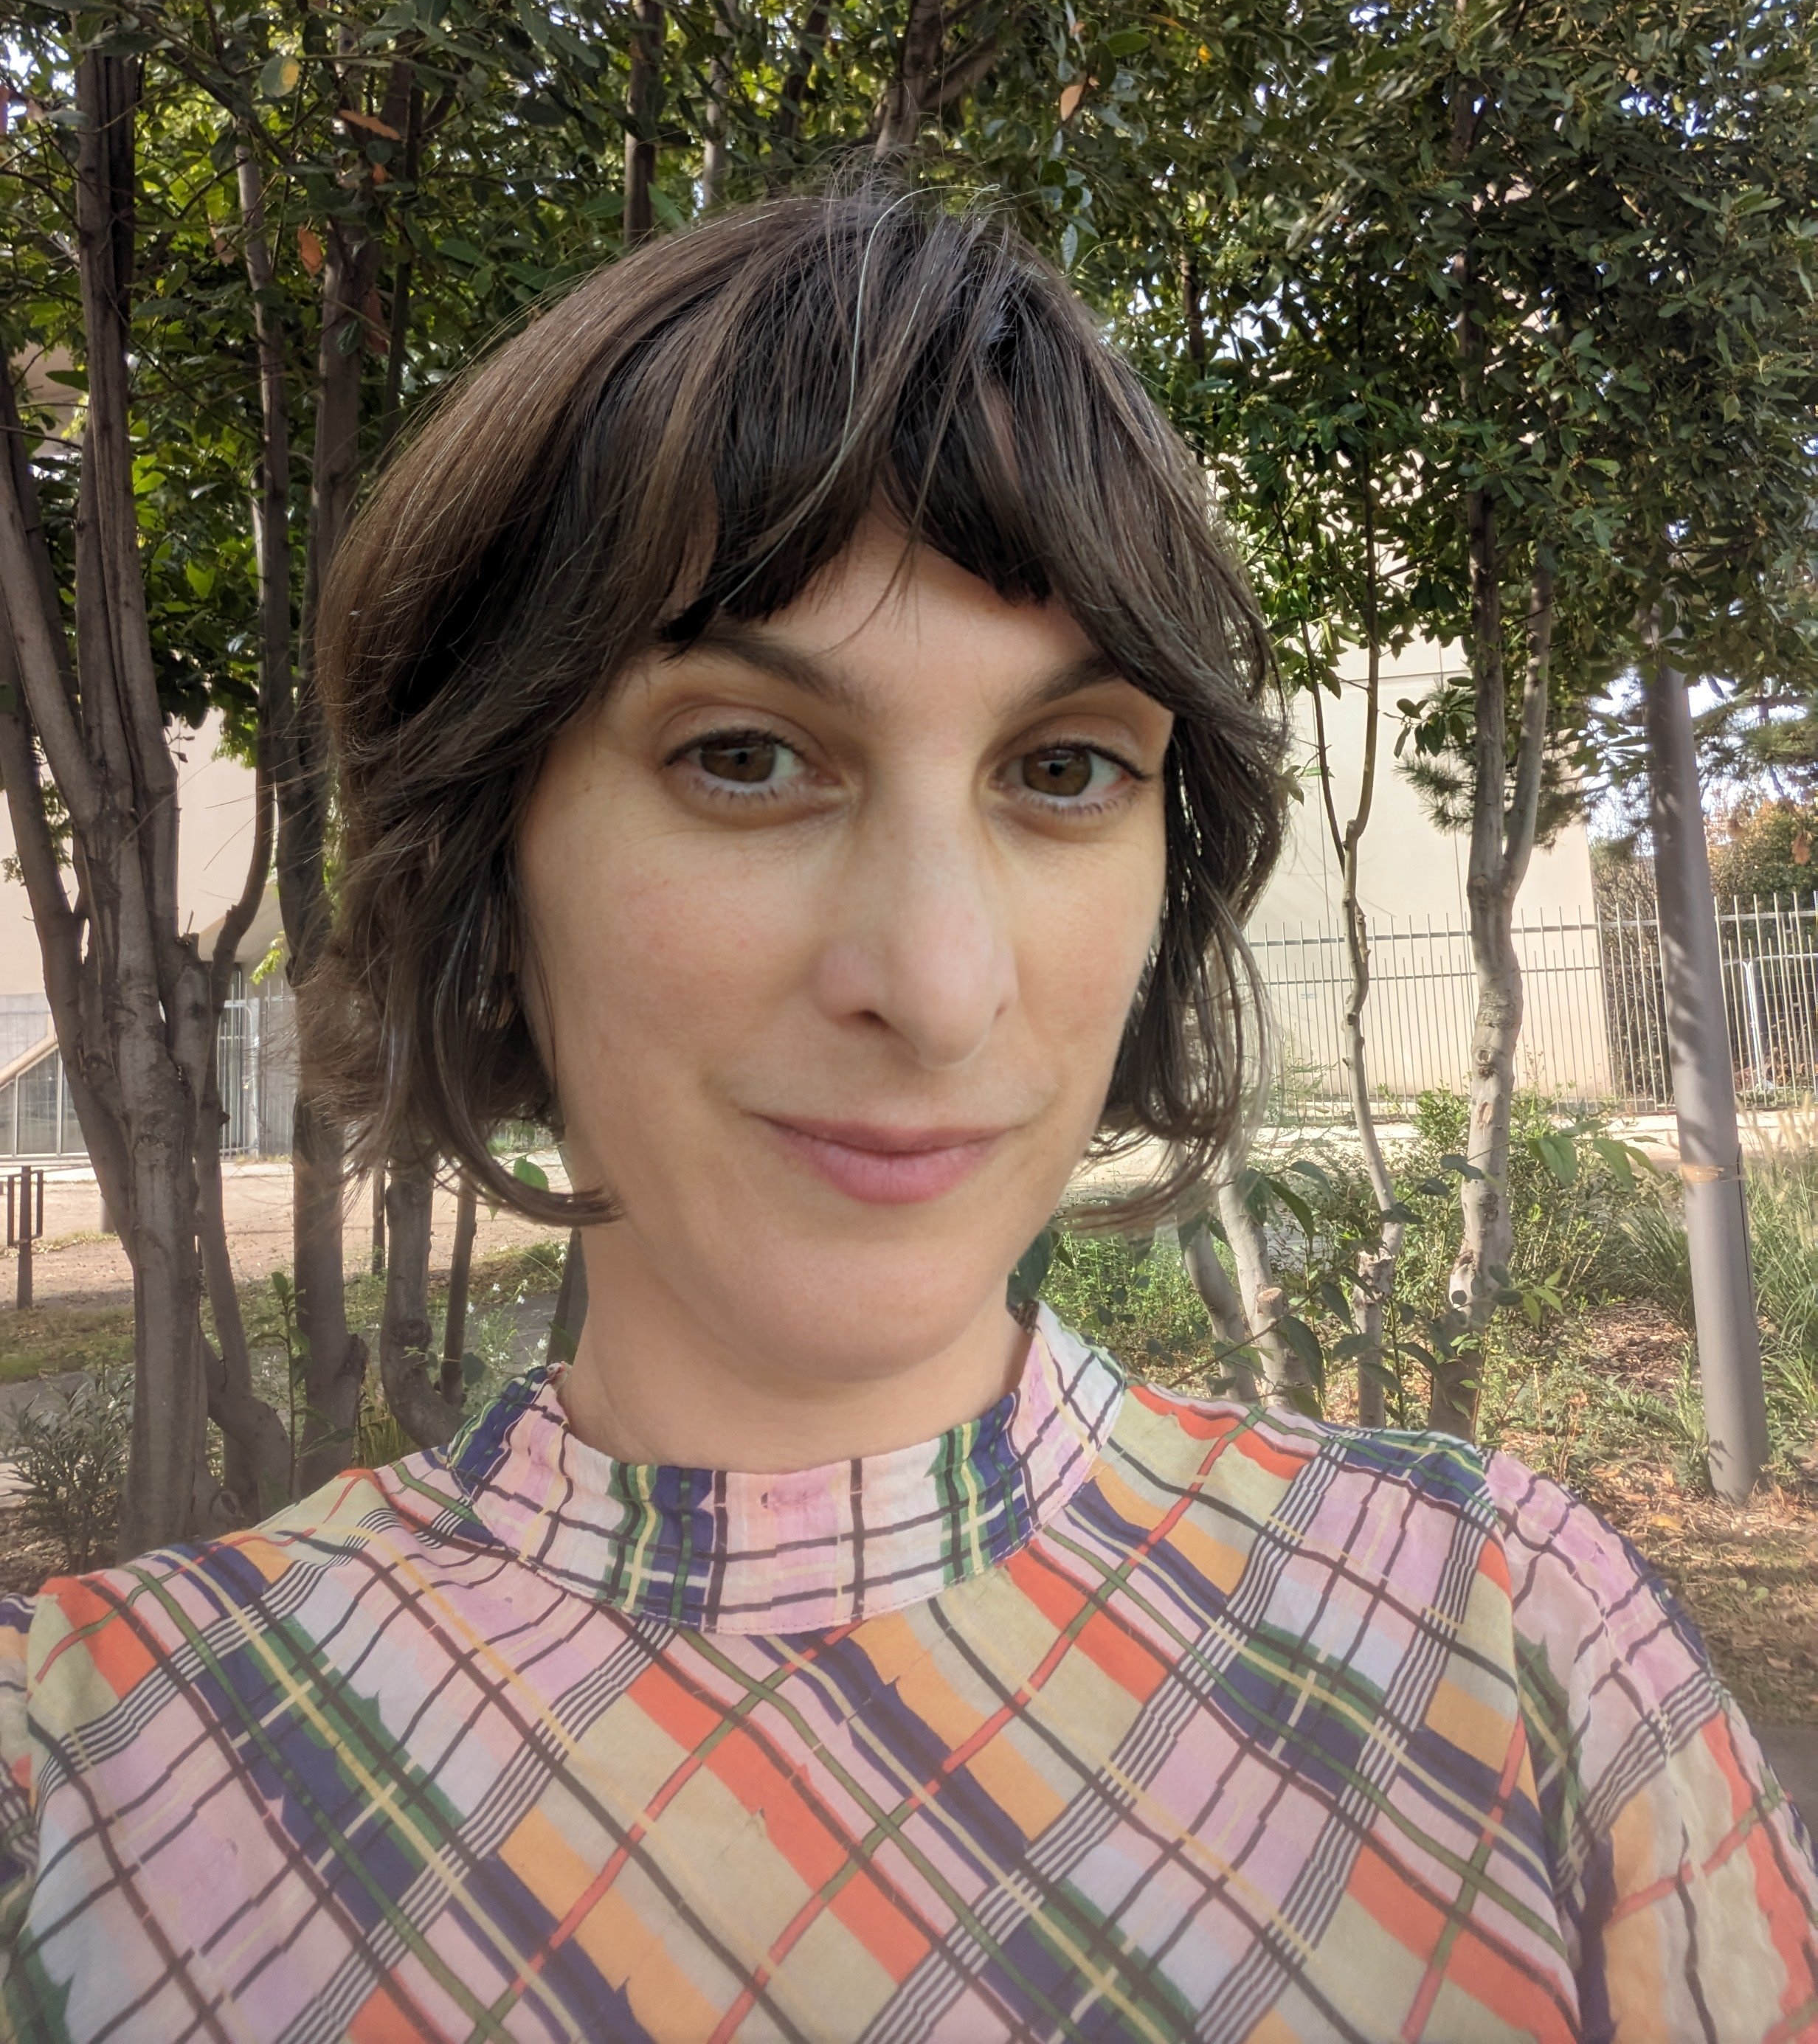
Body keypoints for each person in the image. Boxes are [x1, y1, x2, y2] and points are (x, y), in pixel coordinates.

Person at [0, 190, 1810, 2044]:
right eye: (745, 755)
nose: (939, 983)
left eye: (1060, 768)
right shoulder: (88, 1783)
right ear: (489, 864)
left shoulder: (1512, 1646)